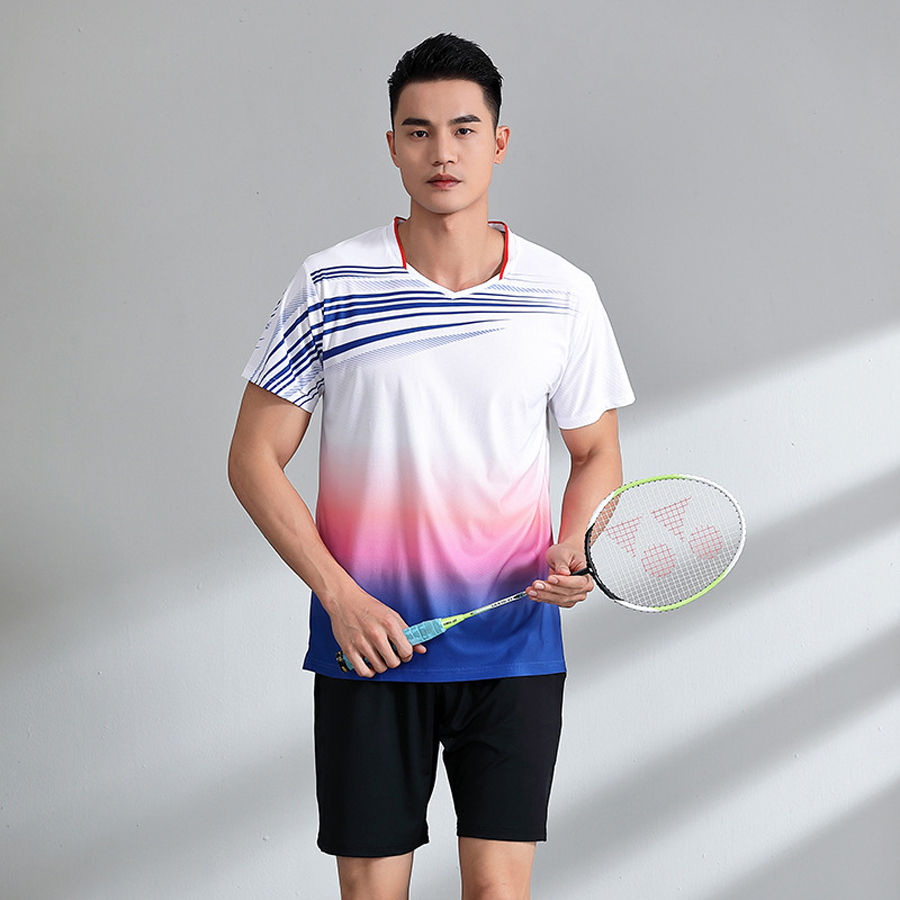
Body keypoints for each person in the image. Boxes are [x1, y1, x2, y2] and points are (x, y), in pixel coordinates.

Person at [228, 33, 634, 900]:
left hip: (514, 647)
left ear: (499, 140)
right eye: (418, 131)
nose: (441, 152)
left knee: (497, 893)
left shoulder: (562, 293)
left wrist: (576, 543)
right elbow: (253, 458)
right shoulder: (332, 283)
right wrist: (339, 597)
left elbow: (595, 451)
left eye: (462, 128)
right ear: (392, 146)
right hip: (369, 647)